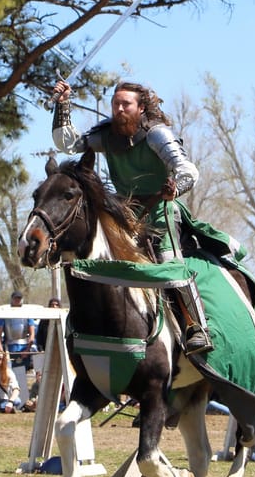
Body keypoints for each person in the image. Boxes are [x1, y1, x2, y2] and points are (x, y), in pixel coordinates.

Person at [51, 79, 212, 355]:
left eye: (126, 104)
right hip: (124, 217)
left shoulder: (156, 135)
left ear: (141, 108)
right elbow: (68, 144)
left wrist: (175, 188)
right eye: (116, 104)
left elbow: (189, 171)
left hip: (161, 212)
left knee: (169, 264)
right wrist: (63, 105)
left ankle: (194, 327)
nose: (119, 109)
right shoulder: (107, 137)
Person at [0, 291, 36, 371]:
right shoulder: (4, 313)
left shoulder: (27, 313)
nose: (17, 300)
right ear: (12, 299)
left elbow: (32, 333)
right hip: (9, 346)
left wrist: (27, 350)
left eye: (19, 298)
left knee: (23, 371)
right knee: (9, 370)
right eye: (15, 298)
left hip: (24, 347)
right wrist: (1, 348)